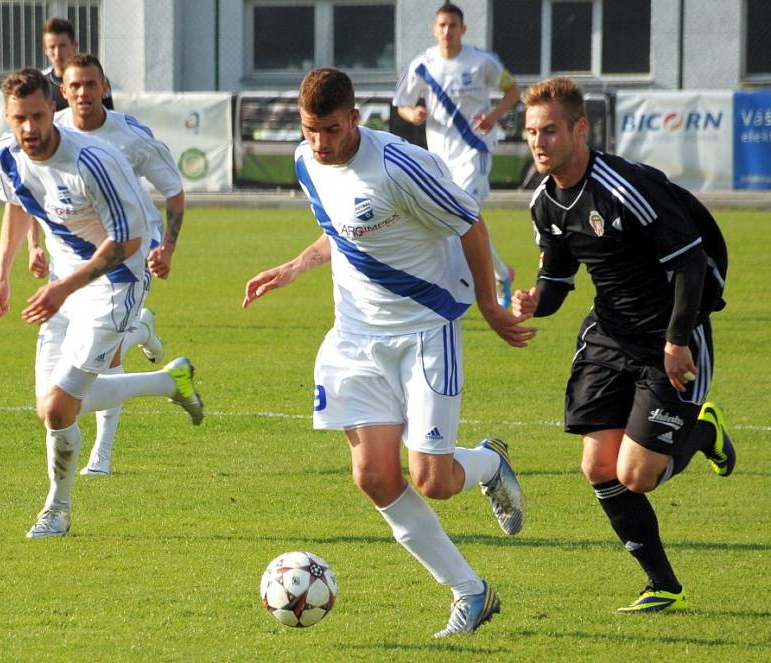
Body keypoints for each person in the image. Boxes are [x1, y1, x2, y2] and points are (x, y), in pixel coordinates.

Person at [244, 68, 535, 637]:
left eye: (331, 129)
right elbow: (342, 228)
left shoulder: (401, 167)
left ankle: (488, 463)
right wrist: (292, 268)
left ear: (356, 117)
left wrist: (491, 306)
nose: (321, 144)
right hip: (354, 336)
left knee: (433, 480)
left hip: (426, 330)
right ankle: (470, 592)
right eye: (310, 131)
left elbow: (471, 226)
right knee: (375, 476)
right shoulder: (308, 162)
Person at [514, 76, 735, 613]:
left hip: (670, 337)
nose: (538, 143)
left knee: (639, 474)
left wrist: (678, 340)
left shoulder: (625, 186)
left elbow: (688, 260)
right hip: (609, 336)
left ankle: (701, 427)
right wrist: (533, 302)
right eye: (529, 133)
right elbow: (560, 282)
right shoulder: (545, 202)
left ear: (579, 129)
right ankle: (662, 585)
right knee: (598, 467)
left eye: (549, 131)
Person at [0, 68, 203, 539]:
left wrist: (64, 287)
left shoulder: (93, 161)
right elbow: (19, 206)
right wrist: (1, 275)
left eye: (38, 117)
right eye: (19, 118)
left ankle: (56, 510)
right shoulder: (7, 154)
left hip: (116, 285)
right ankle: (168, 382)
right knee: (51, 408)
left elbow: (127, 242)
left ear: (53, 112)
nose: (30, 129)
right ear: (8, 116)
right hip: (64, 287)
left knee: (59, 409)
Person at [38, 53, 185, 476]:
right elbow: (34, 196)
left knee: (105, 355)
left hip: (128, 255)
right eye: (75, 85)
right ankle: (145, 331)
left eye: (91, 84)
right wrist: (34, 246)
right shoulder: (52, 132)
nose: (83, 92)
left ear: (104, 88)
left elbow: (173, 193)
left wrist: (167, 249)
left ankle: (101, 454)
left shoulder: (131, 136)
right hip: (73, 259)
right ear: (61, 92)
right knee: (72, 374)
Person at [393, 2, 519, 307]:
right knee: (454, 221)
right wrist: (414, 114)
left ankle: (466, 291)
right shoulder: (422, 64)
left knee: (462, 217)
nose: (447, 31)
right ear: (434, 29)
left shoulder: (481, 62)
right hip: (438, 158)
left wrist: (493, 117)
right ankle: (502, 275)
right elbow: (402, 104)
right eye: (442, 26)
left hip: (474, 152)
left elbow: (513, 91)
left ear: (463, 29)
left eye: (453, 26)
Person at [42, 18, 114, 112]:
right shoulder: (41, 84)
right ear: (45, 50)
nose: (57, 52)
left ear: (75, 45)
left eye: (62, 46)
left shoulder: (97, 80)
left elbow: (108, 118)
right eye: (52, 47)